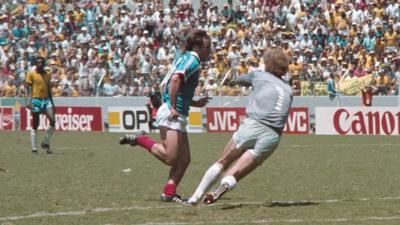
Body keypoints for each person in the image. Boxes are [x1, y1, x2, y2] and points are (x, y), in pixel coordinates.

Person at [186, 47, 293, 205]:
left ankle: (195, 197)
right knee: (236, 173)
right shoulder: (289, 90)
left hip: (254, 124)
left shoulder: (259, 75)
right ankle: (220, 189)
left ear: (268, 63)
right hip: (273, 136)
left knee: (222, 162)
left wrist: (234, 80)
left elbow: (242, 79)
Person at [119, 29, 212, 202]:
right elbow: (175, 81)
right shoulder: (192, 60)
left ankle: (169, 192)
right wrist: (174, 108)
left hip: (176, 111)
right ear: (198, 47)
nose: (209, 51)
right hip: (172, 112)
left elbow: (177, 87)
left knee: (184, 160)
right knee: (171, 158)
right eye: (207, 47)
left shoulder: (185, 58)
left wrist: (195, 103)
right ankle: (141, 139)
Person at [24, 56, 56, 154]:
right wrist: (27, 101)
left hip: (46, 100)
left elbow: (48, 88)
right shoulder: (31, 73)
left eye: (42, 63)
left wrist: (52, 102)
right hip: (35, 100)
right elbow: (26, 88)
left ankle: (45, 142)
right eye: (38, 63)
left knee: (53, 120)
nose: (40, 64)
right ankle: (34, 148)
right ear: (36, 64)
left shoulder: (47, 73)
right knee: (35, 123)